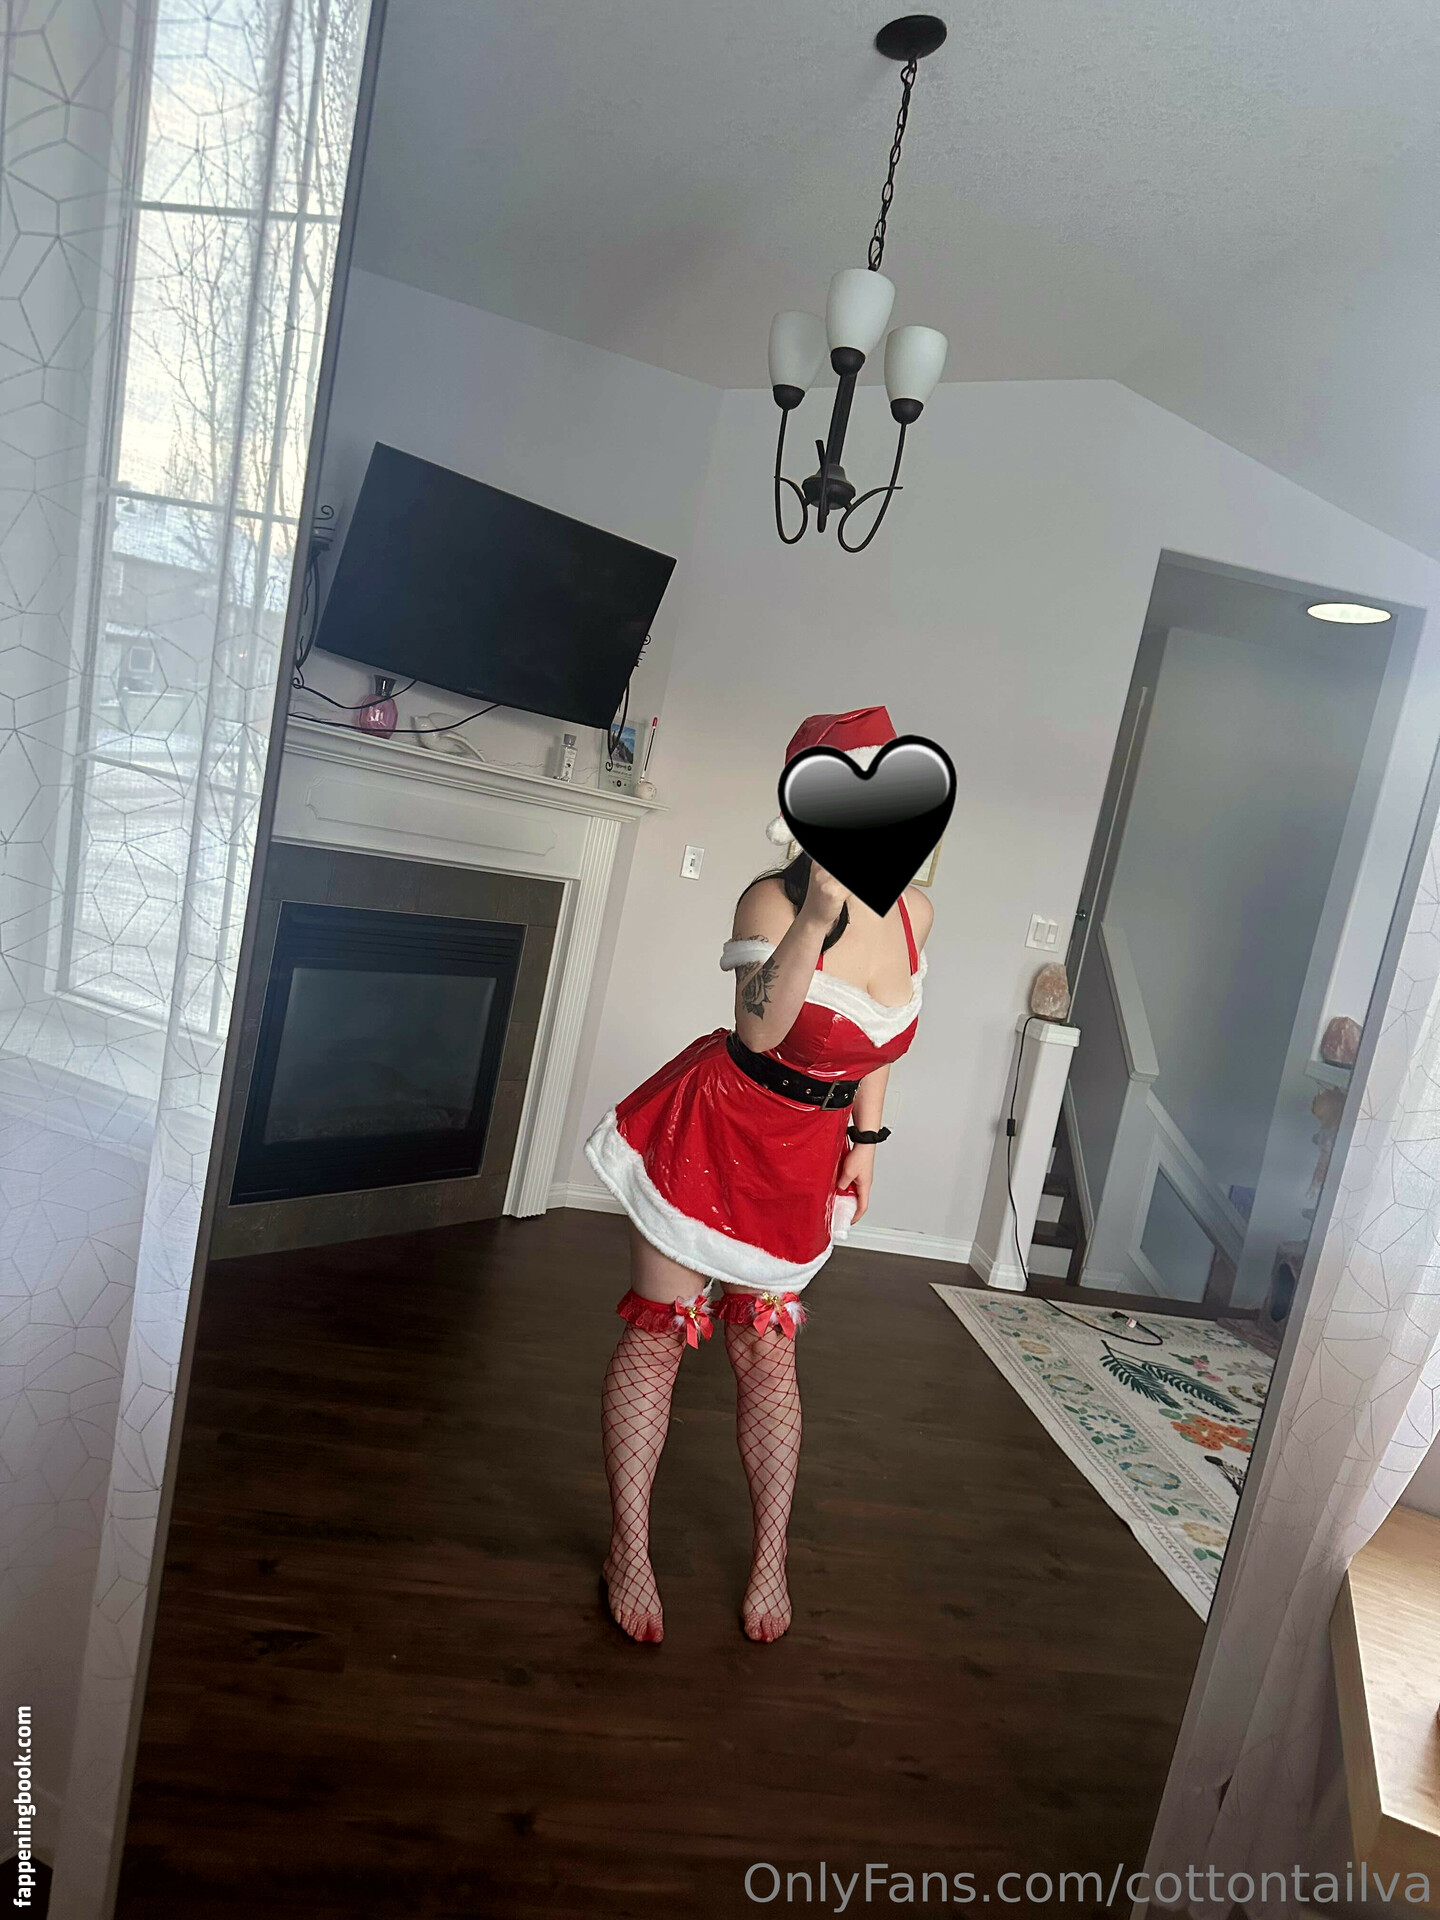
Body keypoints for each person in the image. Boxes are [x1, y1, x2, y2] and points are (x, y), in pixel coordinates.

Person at [585, 708, 933, 1645]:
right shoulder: (768, 904)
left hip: (805, 1152)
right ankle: (628, 1549)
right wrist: (816, 917)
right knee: (660, 1338)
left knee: (767, 1354)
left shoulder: (915, 913)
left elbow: (879, 1044)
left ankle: (771, 1558)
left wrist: (868, 1138)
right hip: (718, 1125)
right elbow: (760, 1028)